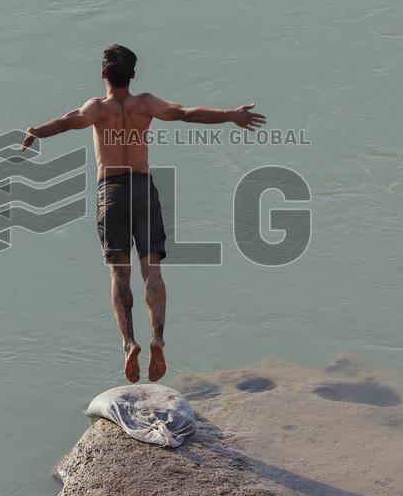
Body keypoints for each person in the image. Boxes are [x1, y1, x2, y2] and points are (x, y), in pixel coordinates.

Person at [20, 45, 265, 382]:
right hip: (143, 189)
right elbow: (187, 113)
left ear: (103, 74)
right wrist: (231, 115)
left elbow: (65, 123)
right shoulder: (146, 104)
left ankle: (129, 344)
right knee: (152, 272)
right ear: (133, 75)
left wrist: (35, 131)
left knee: (119, 275)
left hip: (112, 192)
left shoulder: (96, 109)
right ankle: (158, 340)